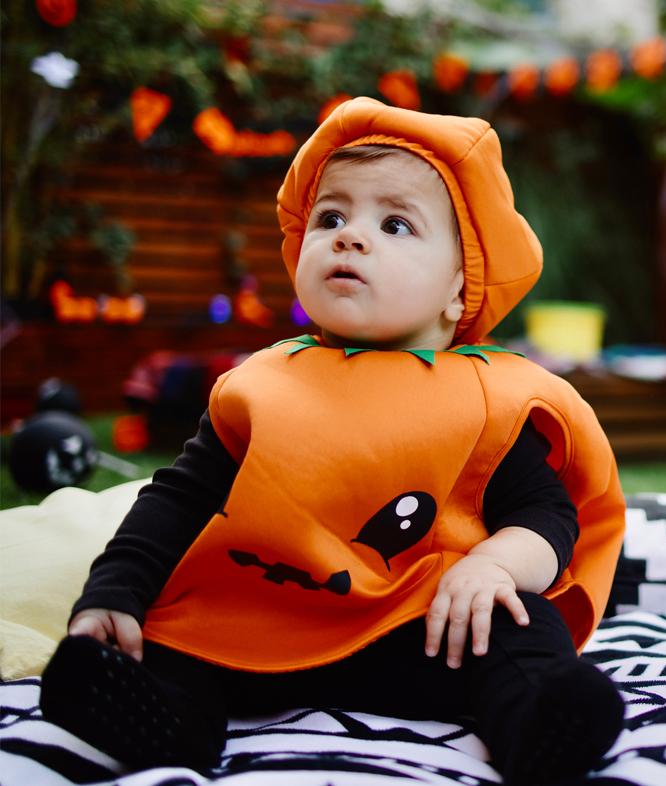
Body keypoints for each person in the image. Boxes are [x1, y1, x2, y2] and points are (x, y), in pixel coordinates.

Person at [40, 97, 627, 785]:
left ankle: (540, 719)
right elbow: (179, 498)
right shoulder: (264, 383)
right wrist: (115, 593)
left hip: (420, 629)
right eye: (331, 217)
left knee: (517, 624)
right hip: (256, 621)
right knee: (170, 637)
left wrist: (495, 565)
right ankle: (161, 720)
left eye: (396, 223)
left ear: (458, 286)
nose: (350, 237)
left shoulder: (488, 396)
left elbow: (546, 517)